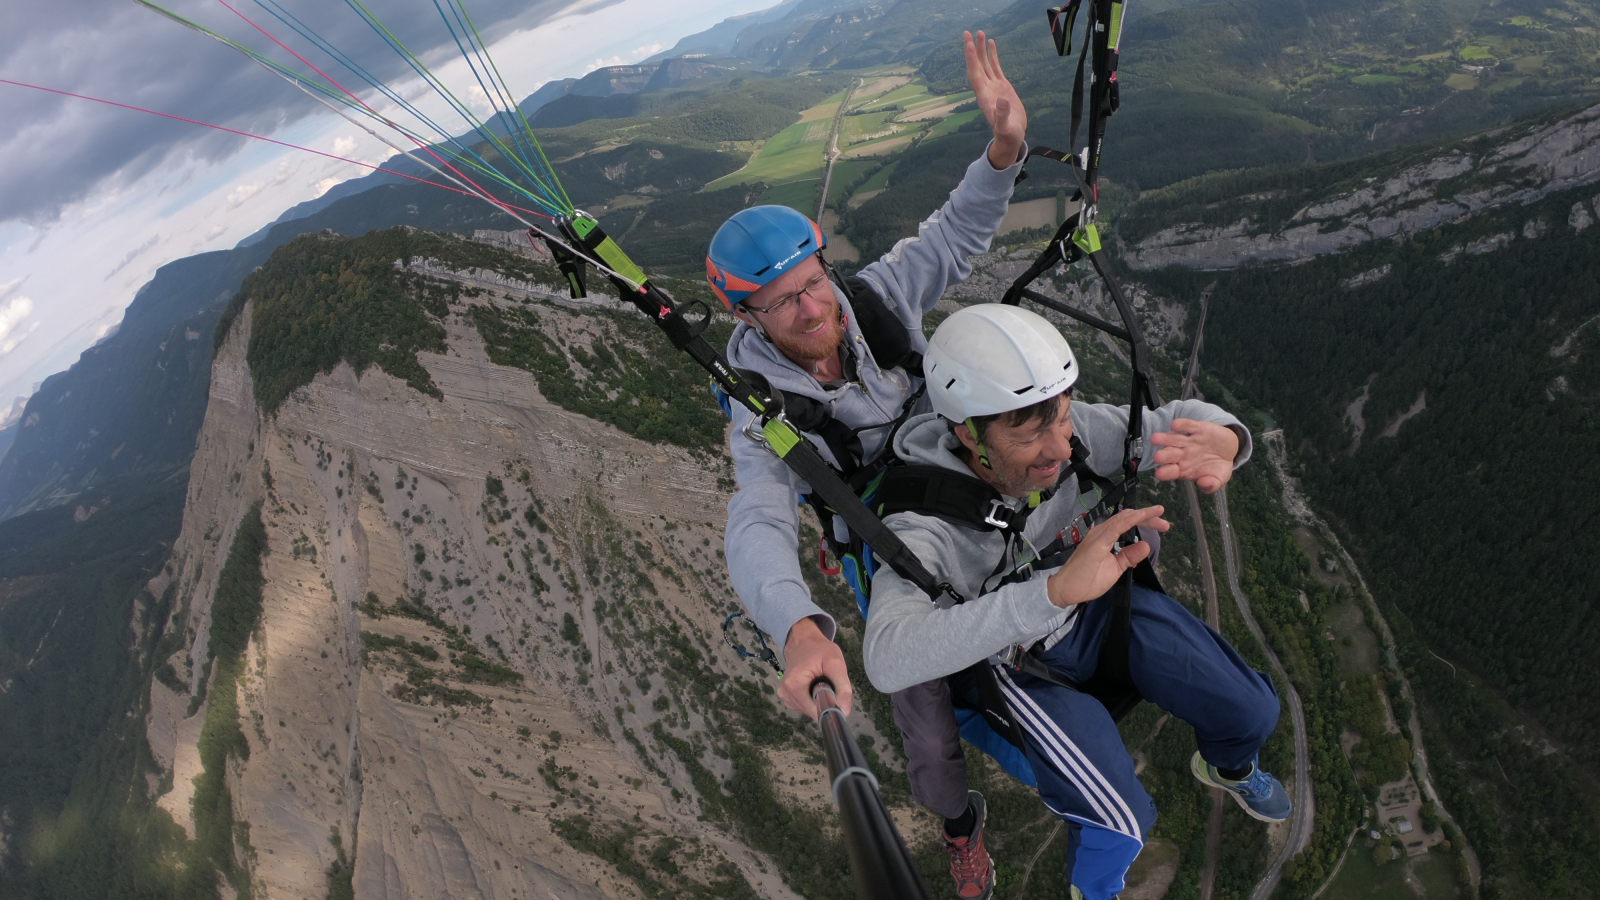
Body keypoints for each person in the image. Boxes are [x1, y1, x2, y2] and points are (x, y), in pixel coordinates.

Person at [708, 29, 1025, 900]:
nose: (816, 311)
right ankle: (962, 830)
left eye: (815, 284)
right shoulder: (761, 411)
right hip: (890, 552)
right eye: (786, 303)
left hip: (964, 486)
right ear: (748, 317)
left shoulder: (874, 300)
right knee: (923, 728)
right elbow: (759, 517)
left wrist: (1002, 149)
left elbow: (954, 235)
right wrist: (796, 624)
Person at [862, 304, 1290, 900]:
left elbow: (1175, 420)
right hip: (1019, 664)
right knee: (1121, 824)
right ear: (966, 434)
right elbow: (887, 656)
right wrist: (1049, 592)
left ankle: (1231, 765)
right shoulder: (923, 526)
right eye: (1031, 430)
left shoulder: (1071, 433)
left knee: (1253, 710)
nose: (1061, 446)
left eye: (1061, 416)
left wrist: (1226, 436)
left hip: (1097, 611)